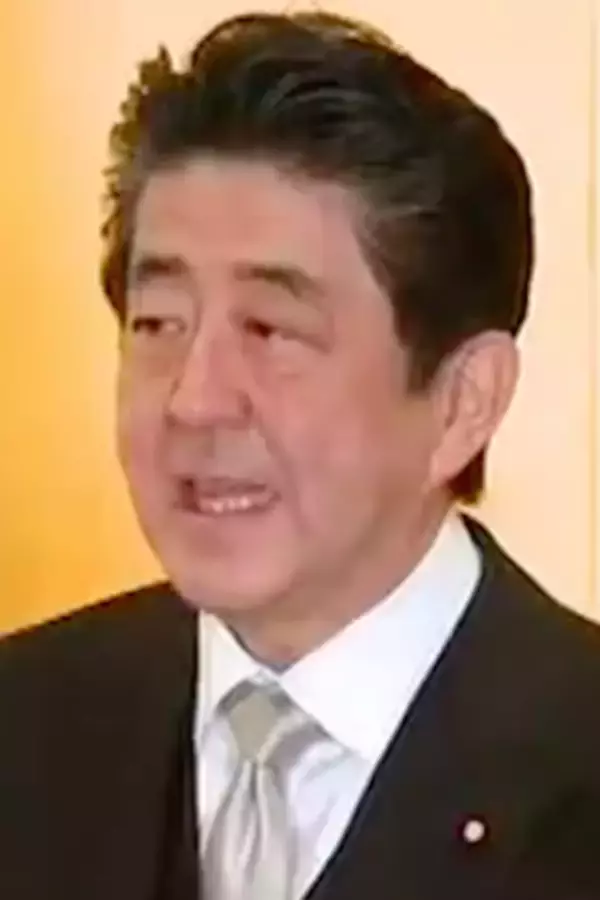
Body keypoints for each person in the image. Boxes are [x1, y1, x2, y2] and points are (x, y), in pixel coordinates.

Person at [1, 9, 599, 900]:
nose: (195, 400)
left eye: (271, 329)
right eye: (158, 324)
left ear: (463, 401)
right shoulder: (25, 722)